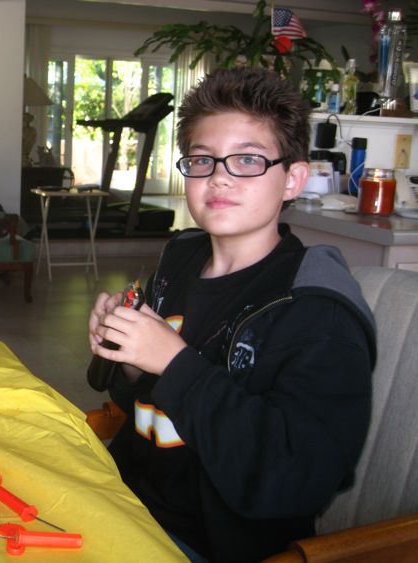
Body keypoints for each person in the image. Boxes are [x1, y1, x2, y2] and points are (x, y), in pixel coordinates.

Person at [87, 67, 376, 562]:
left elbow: (293, 478)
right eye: (202, 159)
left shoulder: (317, 312)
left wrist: (175, 364)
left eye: (247, 159)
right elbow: (149, 402)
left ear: (293, 179)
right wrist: (132, 356)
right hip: (127, 505)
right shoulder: (179, 260)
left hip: (212, 545)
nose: (219, 175)